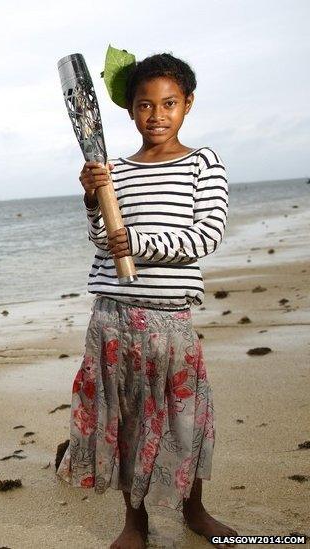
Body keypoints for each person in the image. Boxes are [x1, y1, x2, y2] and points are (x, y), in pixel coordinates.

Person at [56, 53, 239, 549]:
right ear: (130, 111)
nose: (156, 115)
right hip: (113, 318)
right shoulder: (113, 170)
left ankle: (194, 509)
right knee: (127, 422)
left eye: (169, 103)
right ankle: (133, 523)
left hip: (169, 319)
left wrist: (137, 242)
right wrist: (95, 203)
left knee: (184, 420)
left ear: (188, 105)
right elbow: (103, 241)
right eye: (144, 105)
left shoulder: (203, 163)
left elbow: (205, 238)